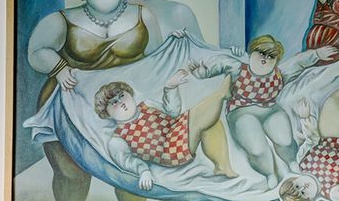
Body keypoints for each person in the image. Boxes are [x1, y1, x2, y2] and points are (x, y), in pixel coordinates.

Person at [25, 0, 163, 201]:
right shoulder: (61, 20)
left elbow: (158, 59)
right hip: (70, 104)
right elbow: (35, 52)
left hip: (124, 105)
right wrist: (59, 67)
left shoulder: (143, 16)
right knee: (70, 169)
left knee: (131, 164)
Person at [189, 35, 339, 188]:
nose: (265, 59)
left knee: (285, 140)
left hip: (270, 109)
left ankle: (291, 161)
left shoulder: (280, 73)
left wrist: (316, 54)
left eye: (270, 56)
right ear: (252, 53)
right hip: (241, 111)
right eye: (261, 53)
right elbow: (220, 63)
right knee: (257, 148)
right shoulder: (238, 69)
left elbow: (298, 62)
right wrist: (201, 72)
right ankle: (269, 173)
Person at [95, 72, 237, 193]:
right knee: (200, 117)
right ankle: (221, 94)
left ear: (130, 94)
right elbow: (128, 161)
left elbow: (172, 112)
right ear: (107, 114)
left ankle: (223, 168)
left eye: (121, 96)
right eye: (113, 103)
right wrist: (143, 171)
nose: (121, 102)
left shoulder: (147, 104)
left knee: (211, 122)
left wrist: (170, 88)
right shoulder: (117, 138)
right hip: (169, 150)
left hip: (177, 128)